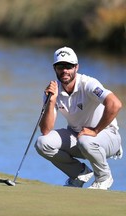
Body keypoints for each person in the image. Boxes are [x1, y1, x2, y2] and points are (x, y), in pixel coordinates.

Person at [34, 46, 123, 190]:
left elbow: (115, 104)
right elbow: (45, 130)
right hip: (79, 137)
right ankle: (79, 173)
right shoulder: (52, 91)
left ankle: (103, 177)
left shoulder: (88, 84)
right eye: (60, 66)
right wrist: (51, 101)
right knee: (42, 143)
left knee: (86, 139)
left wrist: (95, 130)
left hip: (107, 136)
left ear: (76, 67)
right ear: (54, 68)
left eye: (68, 66)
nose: (64, 71)